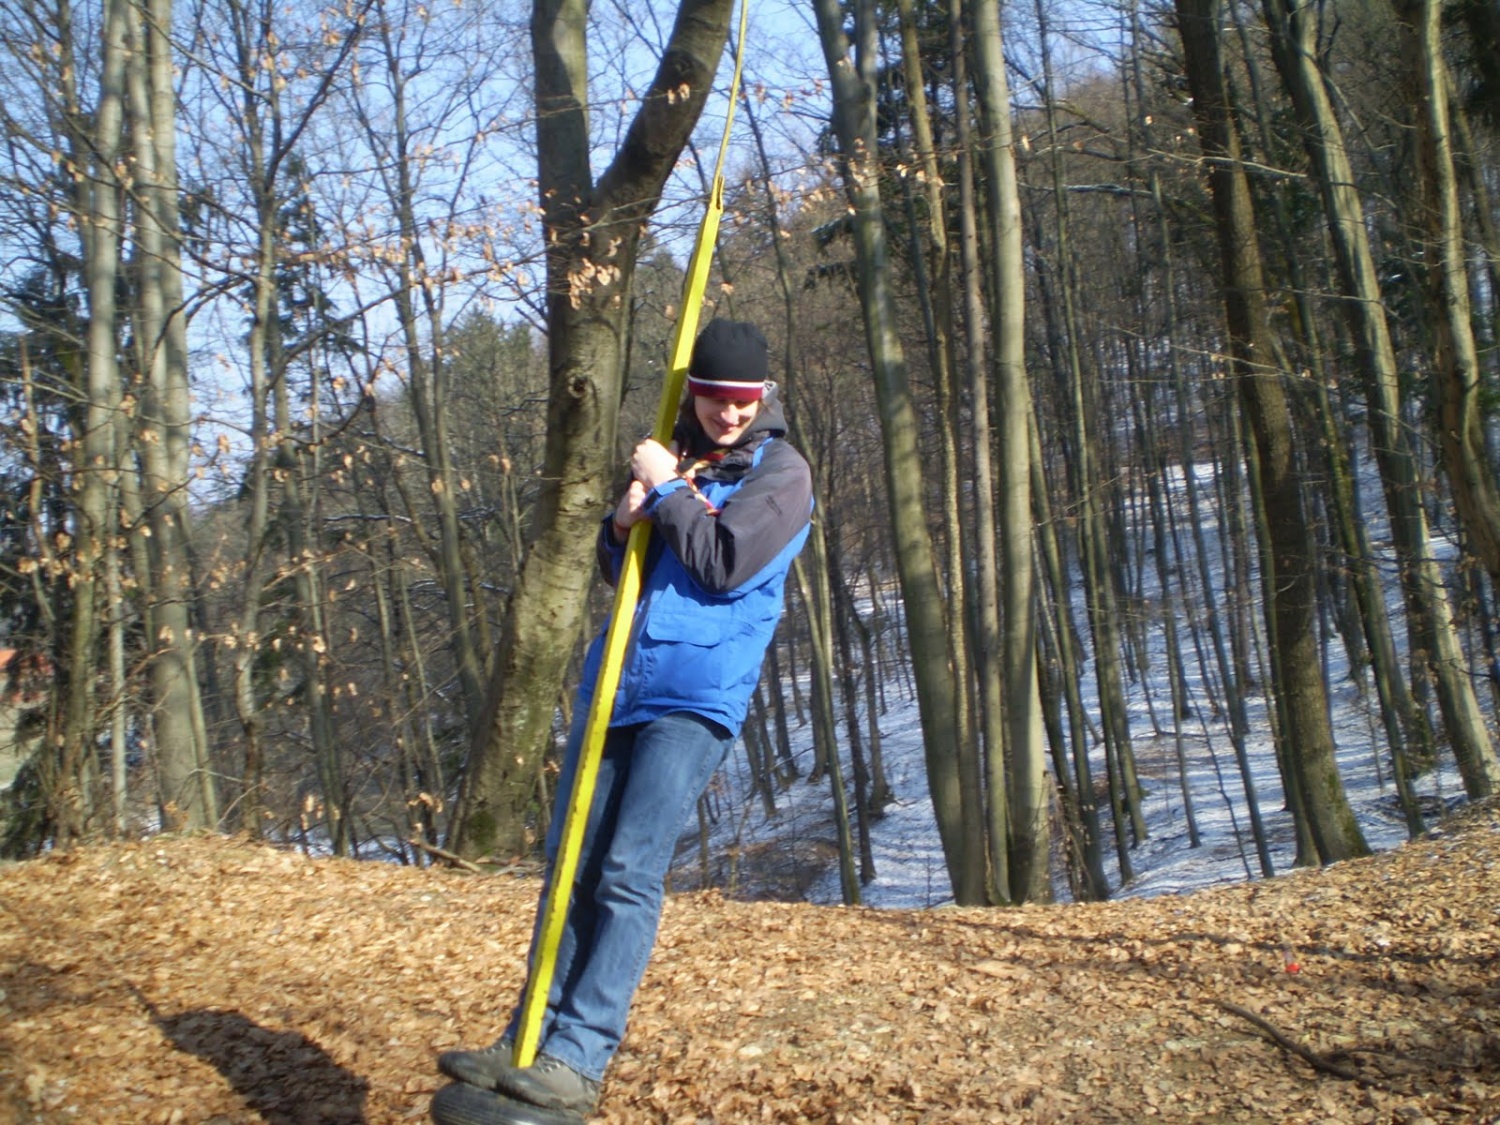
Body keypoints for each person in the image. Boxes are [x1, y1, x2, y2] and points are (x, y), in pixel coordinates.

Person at [432, 320, 813, 1124]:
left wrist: (668, 491)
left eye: (744, 402)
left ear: (762, 399)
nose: (729, 415)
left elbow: (722, 564)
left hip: (694, 698)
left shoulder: (782, 474)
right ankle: (526, 1035)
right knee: (570, 860)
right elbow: (626, 570)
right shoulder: (682, 459)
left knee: (628, 872)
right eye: (715, 399)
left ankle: (579, 1054)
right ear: (695, 394)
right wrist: (622, 520)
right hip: (620, 684)